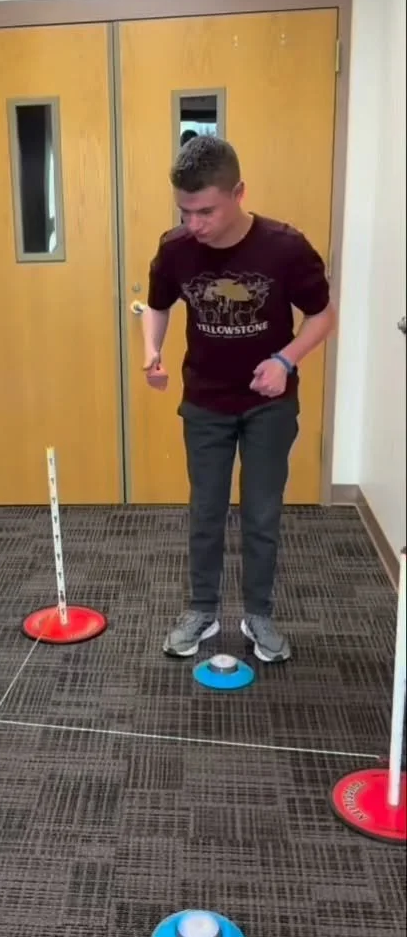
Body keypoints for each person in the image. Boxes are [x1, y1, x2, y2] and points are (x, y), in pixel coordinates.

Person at [142, 136, 336, 663]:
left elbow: (322, 315)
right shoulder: (176, 248)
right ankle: (202, 611)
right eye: (185, 212)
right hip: (205, 400)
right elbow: (157, 304)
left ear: (239, 192)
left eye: (206, 211)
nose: (194, 224)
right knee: (205, 511)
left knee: (261, 512)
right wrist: (152, 352)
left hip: (269, 404)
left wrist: (285, 360)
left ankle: (259, 615)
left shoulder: (285, 247)